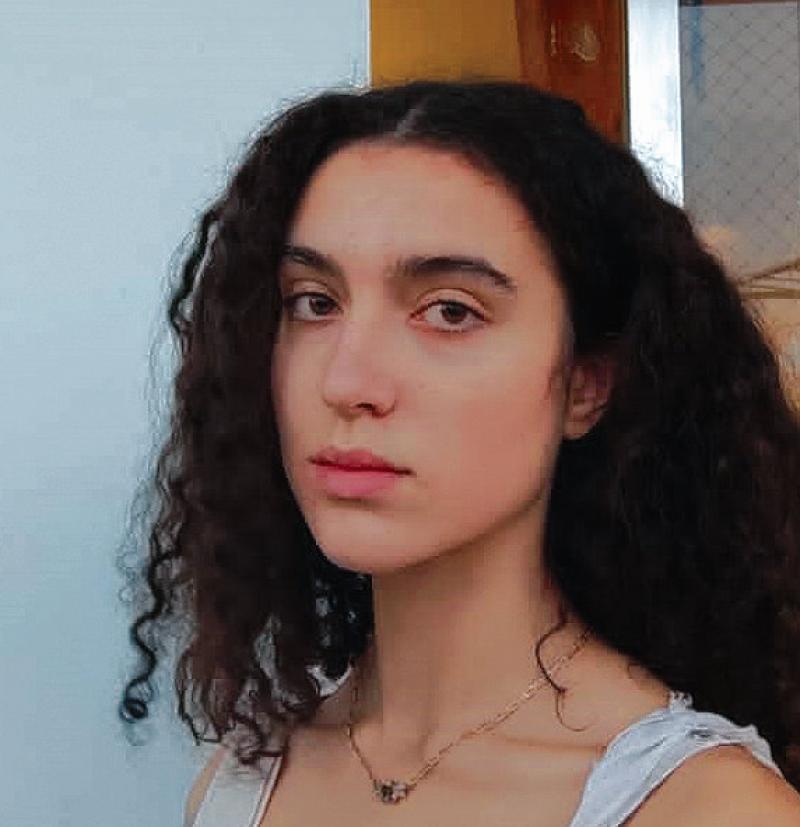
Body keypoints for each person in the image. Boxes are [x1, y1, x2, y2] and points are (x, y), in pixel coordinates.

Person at [118, 79, 800, 825]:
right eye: (314, 302)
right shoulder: (240, 784)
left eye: (449, 311)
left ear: (586, 385)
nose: (347, 382)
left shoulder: (706, 808)